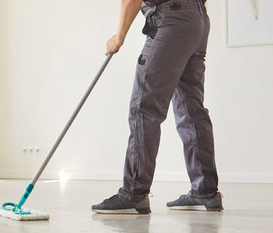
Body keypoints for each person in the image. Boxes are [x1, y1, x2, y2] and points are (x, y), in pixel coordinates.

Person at [92, 0, 223, 214]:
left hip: (171, 19)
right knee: (192, 110)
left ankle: (134, 193)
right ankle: (205, 190)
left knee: (144, 110)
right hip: (197, 20)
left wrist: (119, 35)